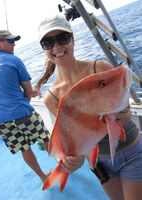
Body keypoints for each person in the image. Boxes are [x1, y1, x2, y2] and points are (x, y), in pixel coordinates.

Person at [36, 15, 142, 200]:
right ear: (44, 49)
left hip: (131, 153)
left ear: (73, 39)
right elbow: (70, 137)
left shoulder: (99, 68)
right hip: (100, 163)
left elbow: (124, 120)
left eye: (62, 38)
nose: (57, 47)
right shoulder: (50, 98)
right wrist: (69, 161)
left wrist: (118, 116)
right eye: (48, 42)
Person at [0, 30, 51, 184]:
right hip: (23, 113)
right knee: (45, 138)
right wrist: (24, 101)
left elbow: (1, 89)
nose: (14, 44)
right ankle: (63, 165)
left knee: (25, 149)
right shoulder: (14, 60)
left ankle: (43, 177)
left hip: (1, 120)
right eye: (10, 41)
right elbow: (28, 89)